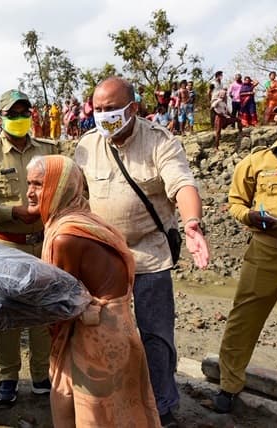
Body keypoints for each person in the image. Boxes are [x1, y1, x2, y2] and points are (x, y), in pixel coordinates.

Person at [75, 77, 210, 427]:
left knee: (155, 333)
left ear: (132, 108)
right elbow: (77, 196)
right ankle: (115, 399)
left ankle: (163, 404)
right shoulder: (87, 145)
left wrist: (192, 222)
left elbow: (182, 184)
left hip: (149, 254)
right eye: (98, 110)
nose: (103, 116)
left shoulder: (160, 142)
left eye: (111, 109)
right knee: (103, 332)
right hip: (103, 258)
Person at [26, 154, 161, 427]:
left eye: (39, 184)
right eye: (29, 183)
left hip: (94, 341)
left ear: (60, 187)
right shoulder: (89, 221)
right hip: (120, 328)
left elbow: (59, 307)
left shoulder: (65, 237)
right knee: (122, 413)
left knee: (94, 416)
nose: (29, 192)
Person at [212, 90, 277, 415]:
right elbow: (236, 202)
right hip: (264, 253)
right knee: (243, 322)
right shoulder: (257, 160)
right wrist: (250, 217)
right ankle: (228, 386)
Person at [0, 89, 58, 405]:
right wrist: (13, 212)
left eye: (24, 113)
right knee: (5, 314)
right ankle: (7, 377)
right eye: (12, 114)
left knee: (42, 313)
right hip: (7, 245)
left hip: (44, 244)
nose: (19, 119)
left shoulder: (50, 149)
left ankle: (40, 375)